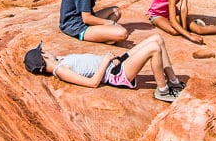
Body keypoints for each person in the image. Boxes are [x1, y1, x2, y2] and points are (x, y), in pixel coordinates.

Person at [24, 34, 185, 102]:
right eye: (44, 51)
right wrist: (106, 60)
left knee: (157, 38)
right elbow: (93, 83)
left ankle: (174, 81)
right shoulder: (61, 70)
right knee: (154, 49)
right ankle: (163, 91)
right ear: (44, 55)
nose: (47, 51)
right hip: (116, 74)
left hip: (115, 64)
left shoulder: (60, 60)